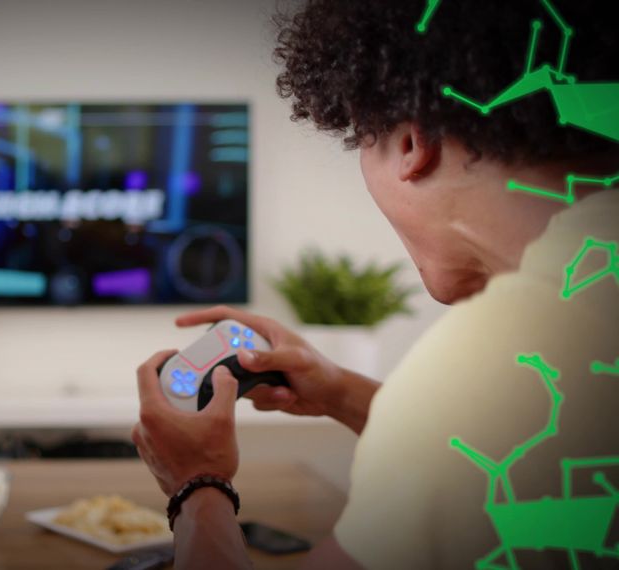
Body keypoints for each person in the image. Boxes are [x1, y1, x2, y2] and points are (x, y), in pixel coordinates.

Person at [133, 0, 619, 568]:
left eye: (361, 139)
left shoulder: (519, 347)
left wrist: (198, 485)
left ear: (414, 142)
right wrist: (340, 391)